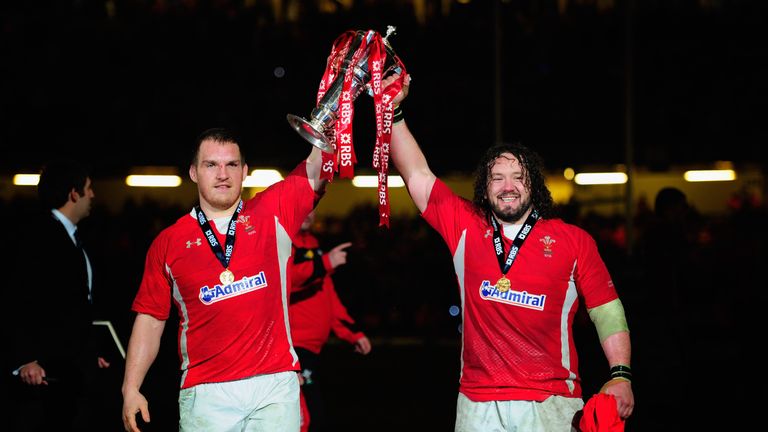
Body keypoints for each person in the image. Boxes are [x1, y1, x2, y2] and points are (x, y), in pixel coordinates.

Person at [387, 74, 634, 431]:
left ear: (533, 183)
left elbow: (606, 310)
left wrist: (621, 373)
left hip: (552, 402)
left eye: (518, 177)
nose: (507, 187)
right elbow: (417, 175)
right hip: (478, 403)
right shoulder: (465, 227)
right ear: (484, 189)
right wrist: (394, 111)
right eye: (496, 178)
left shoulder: (572, 240)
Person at [121, 127, 328, 432]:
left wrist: (331, 123)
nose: (222, 174)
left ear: (245, 171)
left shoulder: (273, 211)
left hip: (273, 384)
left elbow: (316, 169)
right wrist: (131, 387)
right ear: (193, 172)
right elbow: (151, 318)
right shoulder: (169, 242)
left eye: (231, 165)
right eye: (211, 165)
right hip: (206, 391)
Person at [7, 159, 114, 431]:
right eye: (88, 188)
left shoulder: (73, 238)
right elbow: (18, 299)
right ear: (73, 193)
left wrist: (89, 351)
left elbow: (75, 305)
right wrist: (24, 358)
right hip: (44, 372)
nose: (93, 194)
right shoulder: (37, 237)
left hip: (70, 368)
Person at [289, 210, 372, 432]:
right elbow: (286, 280)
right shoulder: (283, 242)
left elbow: (328, 297)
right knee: (303, 419)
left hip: (311, 350)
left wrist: (353, 333)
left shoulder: (312, 243)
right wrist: (325, 262)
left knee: (312, 417)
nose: (307, 212)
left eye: (312, 206)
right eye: (301, 206)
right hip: (292, 351)